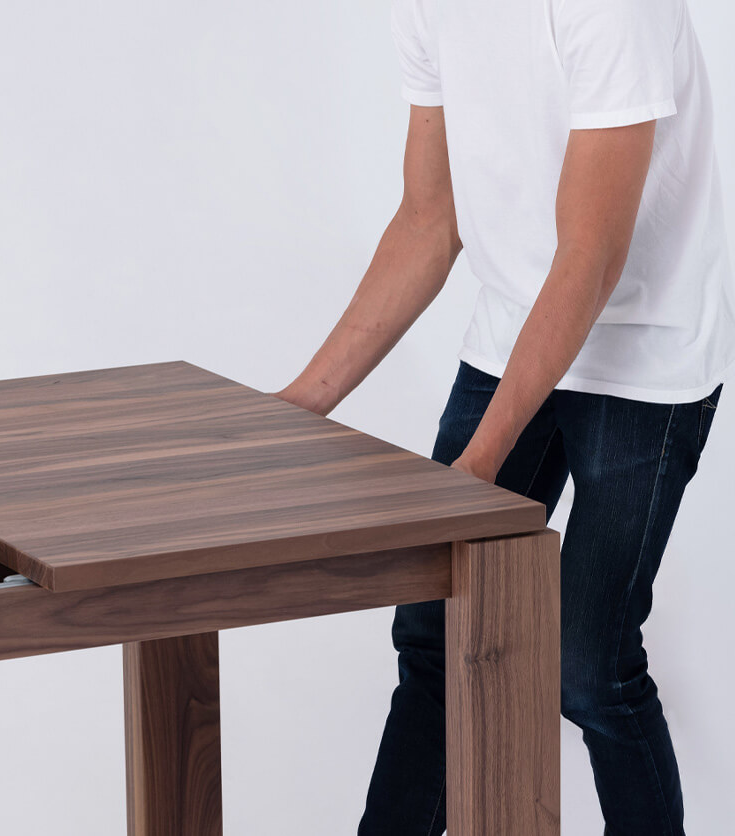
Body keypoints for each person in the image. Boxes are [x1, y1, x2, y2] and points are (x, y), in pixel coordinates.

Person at [272, 0, 733, 833]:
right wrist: (302, 401)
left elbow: (589, 262)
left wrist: (474, 472)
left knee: (590, 668)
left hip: (647, 358)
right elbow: (428, 218)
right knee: (433, 634)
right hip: (512, 332)